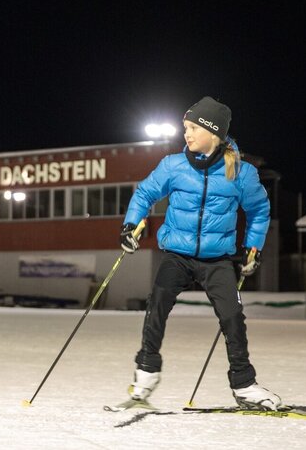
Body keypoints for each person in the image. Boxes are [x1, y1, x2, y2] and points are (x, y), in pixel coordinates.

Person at [118, 96, 281, 410]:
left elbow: (259, 210)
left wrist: (254, 247)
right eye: (185, 127)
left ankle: (244, 385)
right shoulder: (173, 166)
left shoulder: (241, 173)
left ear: (214, 133)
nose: (187, 134)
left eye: (193, 127)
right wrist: (129, 226)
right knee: (157, 306)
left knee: (232, 317)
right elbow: (145, 193)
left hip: (217, 259)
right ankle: (145, 375)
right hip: (177, 255)